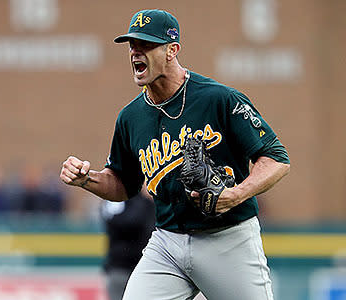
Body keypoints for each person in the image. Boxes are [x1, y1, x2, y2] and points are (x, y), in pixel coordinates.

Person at [60, 9, 290, 300]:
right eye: (132, 46)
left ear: (172, 50)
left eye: (146, 45)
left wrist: (237, 193)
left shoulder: (217, 99)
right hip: (167, 241)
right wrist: (86, 179)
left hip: (227, 237)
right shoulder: (131, 117)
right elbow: (122, 185)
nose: (135, 53)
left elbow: (276, 158)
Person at [100, 190, 155, 300]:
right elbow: (124, 222)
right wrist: (145, 201)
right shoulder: (120, 197)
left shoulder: (153, 201)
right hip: (121, 268)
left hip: (147, 267)